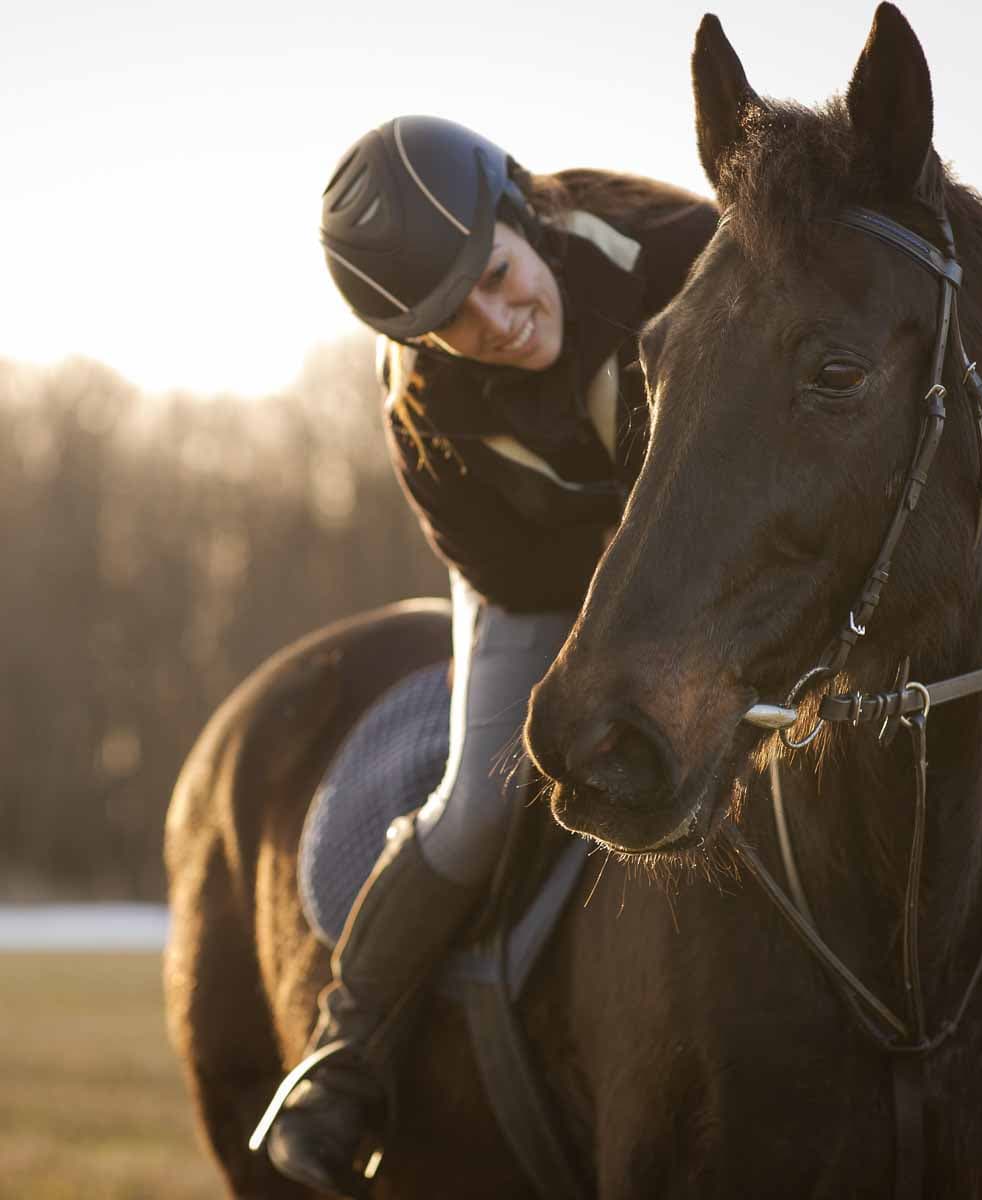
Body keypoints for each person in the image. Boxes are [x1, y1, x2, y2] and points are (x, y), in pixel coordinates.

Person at [256, 114, 718, 1194]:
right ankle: (345, 1058)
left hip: (707, 557)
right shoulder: (425, 405)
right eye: (455, 320)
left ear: (527, 212)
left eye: (499, 277)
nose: (499, 320)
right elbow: (510, 566)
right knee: (477, 801)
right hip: (542, 581)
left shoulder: (674, 244)